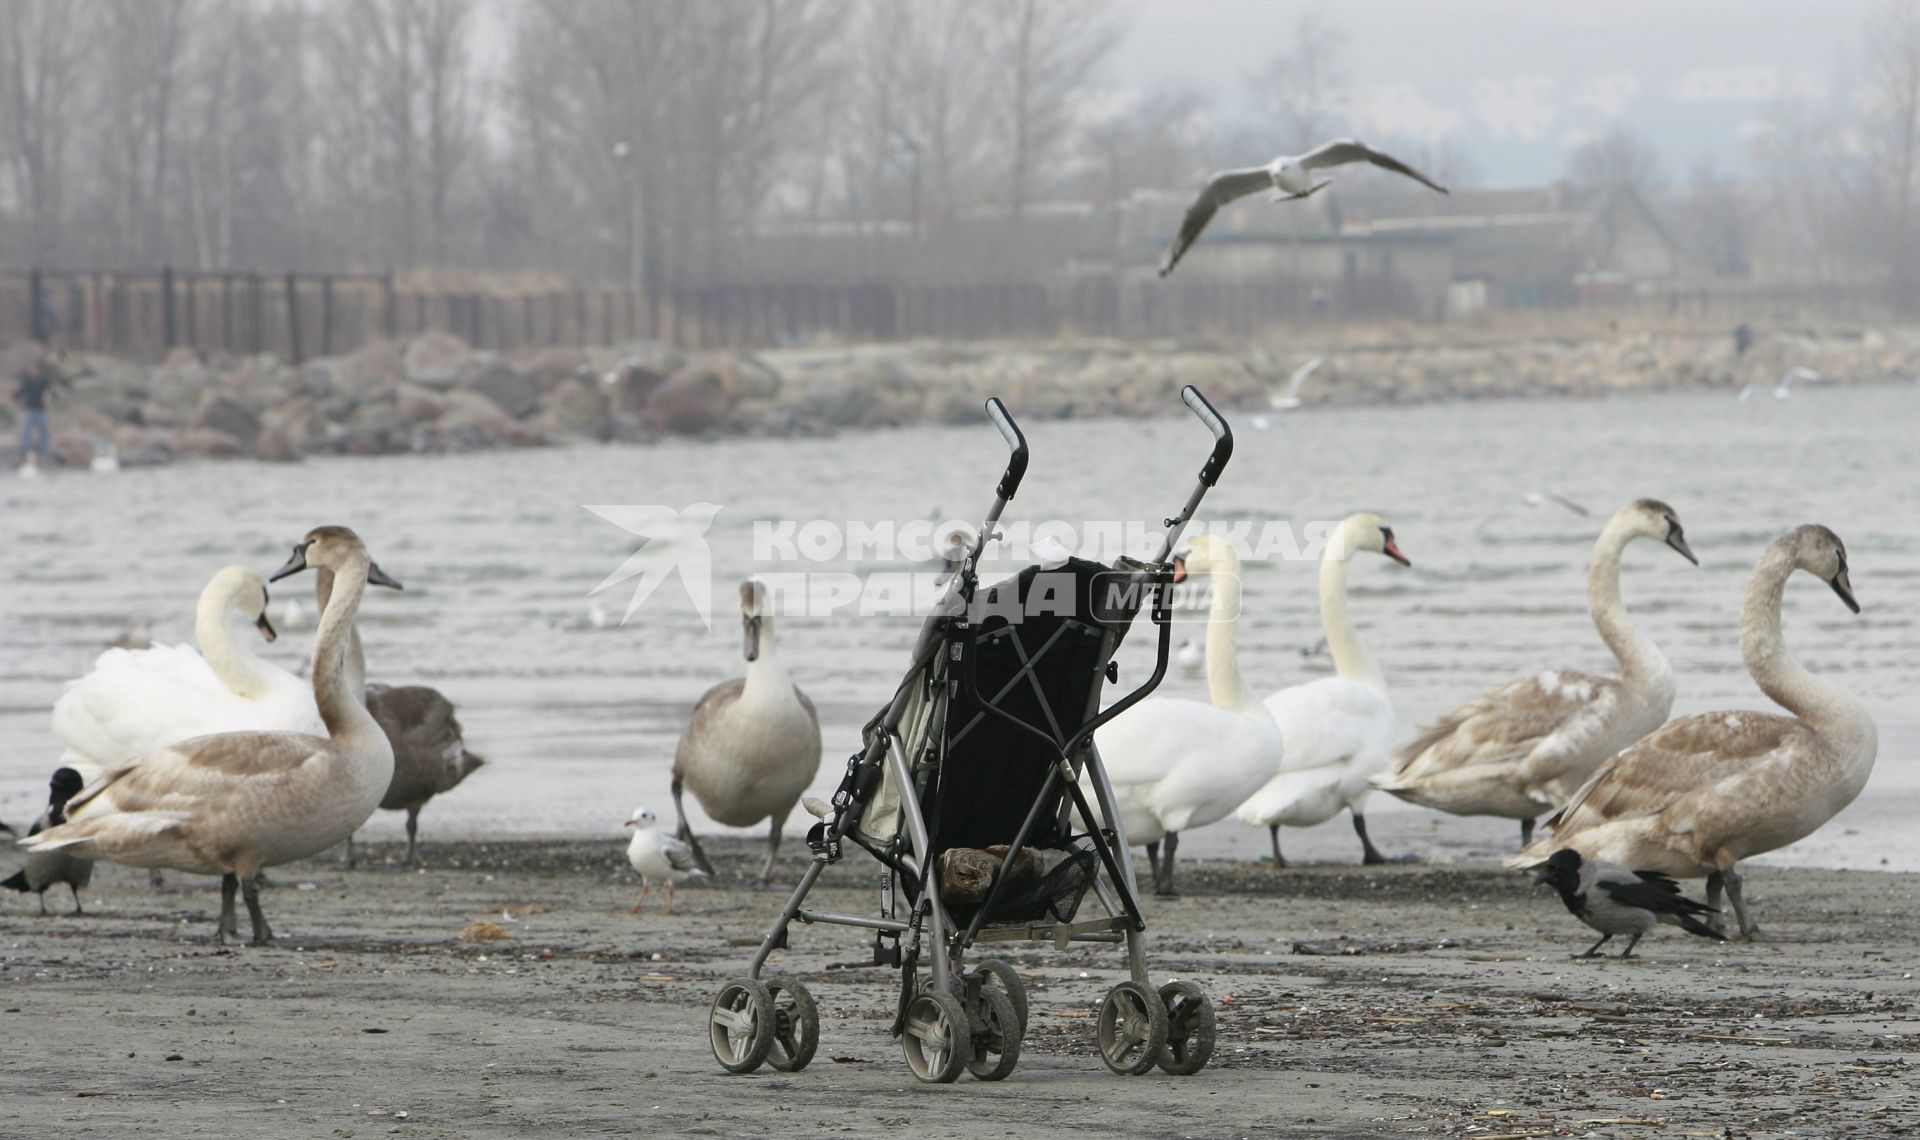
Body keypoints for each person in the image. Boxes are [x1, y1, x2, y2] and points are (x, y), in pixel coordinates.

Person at [14, 352, 67, 461]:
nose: (31, 370)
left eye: (33, 369)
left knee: (44, 431)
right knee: (26, 430)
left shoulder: (44, 381)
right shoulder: (28, 380)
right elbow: (22, 390)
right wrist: (14, 396)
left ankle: (45, 451)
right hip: (29, 409)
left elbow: (52, 393)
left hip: (41, 410)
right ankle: (25, 450)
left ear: (38, 370)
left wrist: (50, 395)